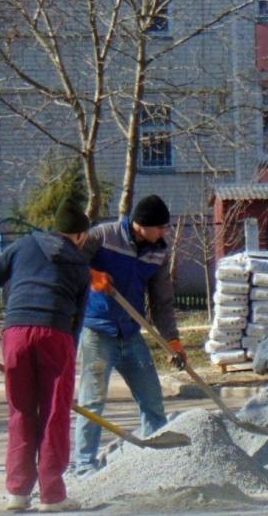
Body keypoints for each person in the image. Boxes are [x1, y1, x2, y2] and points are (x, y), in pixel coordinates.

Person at [0, 198, 91, 512]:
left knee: (20, 410)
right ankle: (52, 496)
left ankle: (17, 492)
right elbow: (78, 319)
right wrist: (68, 356)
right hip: (56, 334)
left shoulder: (22, 246)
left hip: (16, 333)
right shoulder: (80, 264)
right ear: (80, 235)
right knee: (54, 413)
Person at [72, 194, 187, 475]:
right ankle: (84, 465)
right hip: (97, 331)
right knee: (92, 401)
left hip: (131, 333)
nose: (164, 232)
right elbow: (70, 262)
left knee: (152, 399)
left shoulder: (158, 252)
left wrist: (172, 340)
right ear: (140, 225)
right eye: (160, 227)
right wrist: (91, 275)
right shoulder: (103, 236)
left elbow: (161, 301)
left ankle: (158, 459)